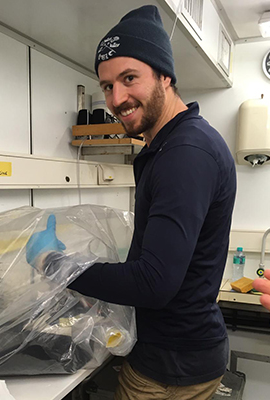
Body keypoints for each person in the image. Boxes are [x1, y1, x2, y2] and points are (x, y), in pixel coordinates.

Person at [26, 5, 236, 399]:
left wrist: (55, 264)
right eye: (107, 85)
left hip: (168, 370)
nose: (117, 98)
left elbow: (153, 284)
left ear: (165, 75)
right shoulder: (175, 145)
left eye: (129, 78)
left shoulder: (185, 151)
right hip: (182, 354)